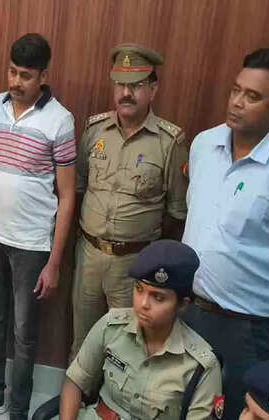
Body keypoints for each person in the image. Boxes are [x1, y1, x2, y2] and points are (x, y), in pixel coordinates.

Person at [70, 43, 189, 359]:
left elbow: (176, 214)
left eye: (135, 85)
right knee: (82, 343)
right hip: (89, 256)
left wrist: (140, 243)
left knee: (125, 349)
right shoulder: (95, 130)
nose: (126, 93)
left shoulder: (169, 142)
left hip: (134, 265)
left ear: (153, 89)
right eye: (120, 84)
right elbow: (79, 187)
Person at [0, 33, 76, 419]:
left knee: (24, 331)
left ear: (43, 76)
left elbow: (67, 196)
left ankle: (18, 407)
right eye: (12, 72)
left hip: (32, 245)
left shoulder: (60, 120)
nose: (16, 82)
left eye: (25, 75)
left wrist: (54, 262)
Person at [182, 47, 269, 419]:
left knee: (238, 411)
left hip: (249, 328)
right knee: (183, 405)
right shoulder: (204, 144)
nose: (237, 102)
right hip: (191, 311)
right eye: (236, 90)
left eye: (252, 96)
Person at [60, 240, 222, 420]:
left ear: (183, 305)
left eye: (158, 298)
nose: (143, 304)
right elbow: (74, 382)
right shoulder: (112, 326)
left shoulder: (202, 366)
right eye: (139, 289)